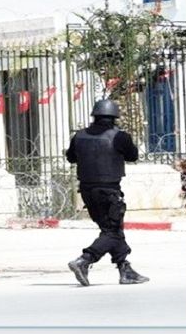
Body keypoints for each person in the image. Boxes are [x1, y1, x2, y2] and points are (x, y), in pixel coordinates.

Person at [65, 99, 149, 286]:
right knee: (111, 231)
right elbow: (133, 156)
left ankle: (125, 269)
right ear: (114, 118)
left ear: (94, 116)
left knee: (113, 230)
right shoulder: (119, 137)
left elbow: (71, 157)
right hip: (109, 190)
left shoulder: (79, 136)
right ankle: (85, 260)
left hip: (87, 191)